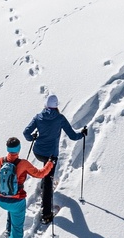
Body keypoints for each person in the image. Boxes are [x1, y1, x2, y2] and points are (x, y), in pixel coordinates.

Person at [0, 137, 54, 238]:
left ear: (7, 148)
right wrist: (50, 163)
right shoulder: (23, 164)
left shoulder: (0, 161)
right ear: (19, 149)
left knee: (10, 211)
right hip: (16, 202)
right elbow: (40, 174)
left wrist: (4, 188)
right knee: (18, 229)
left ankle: (8, 233)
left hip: (0, 199)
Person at [23, 94, 87, 224]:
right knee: (48, 182)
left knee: (45, 169)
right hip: (51, 155)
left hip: (38, 151)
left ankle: (44, 184)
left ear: (46, 105)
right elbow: (73, 136)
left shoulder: (38, 117)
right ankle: (46, 215)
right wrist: (82, 134)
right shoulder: (60, 118)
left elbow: (26, 133)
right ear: (57, 106)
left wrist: (33, 138)